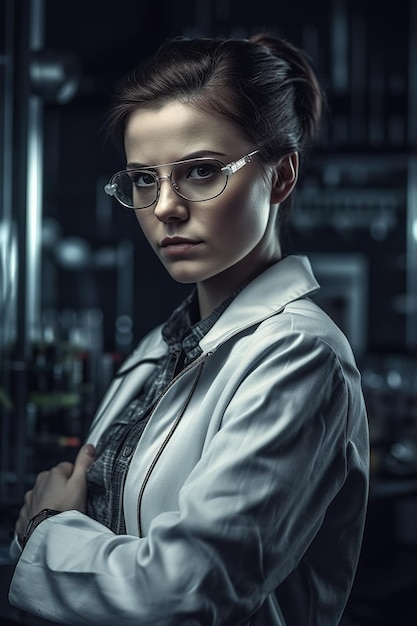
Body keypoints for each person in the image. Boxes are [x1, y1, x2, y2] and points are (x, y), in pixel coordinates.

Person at [9, 32, 369, 626]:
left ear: (280, 177)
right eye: (144, 180)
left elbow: (186, 592)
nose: (166, 207)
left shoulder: (300, 355)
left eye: (200, 172)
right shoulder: (161, 348)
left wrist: (48, 531)